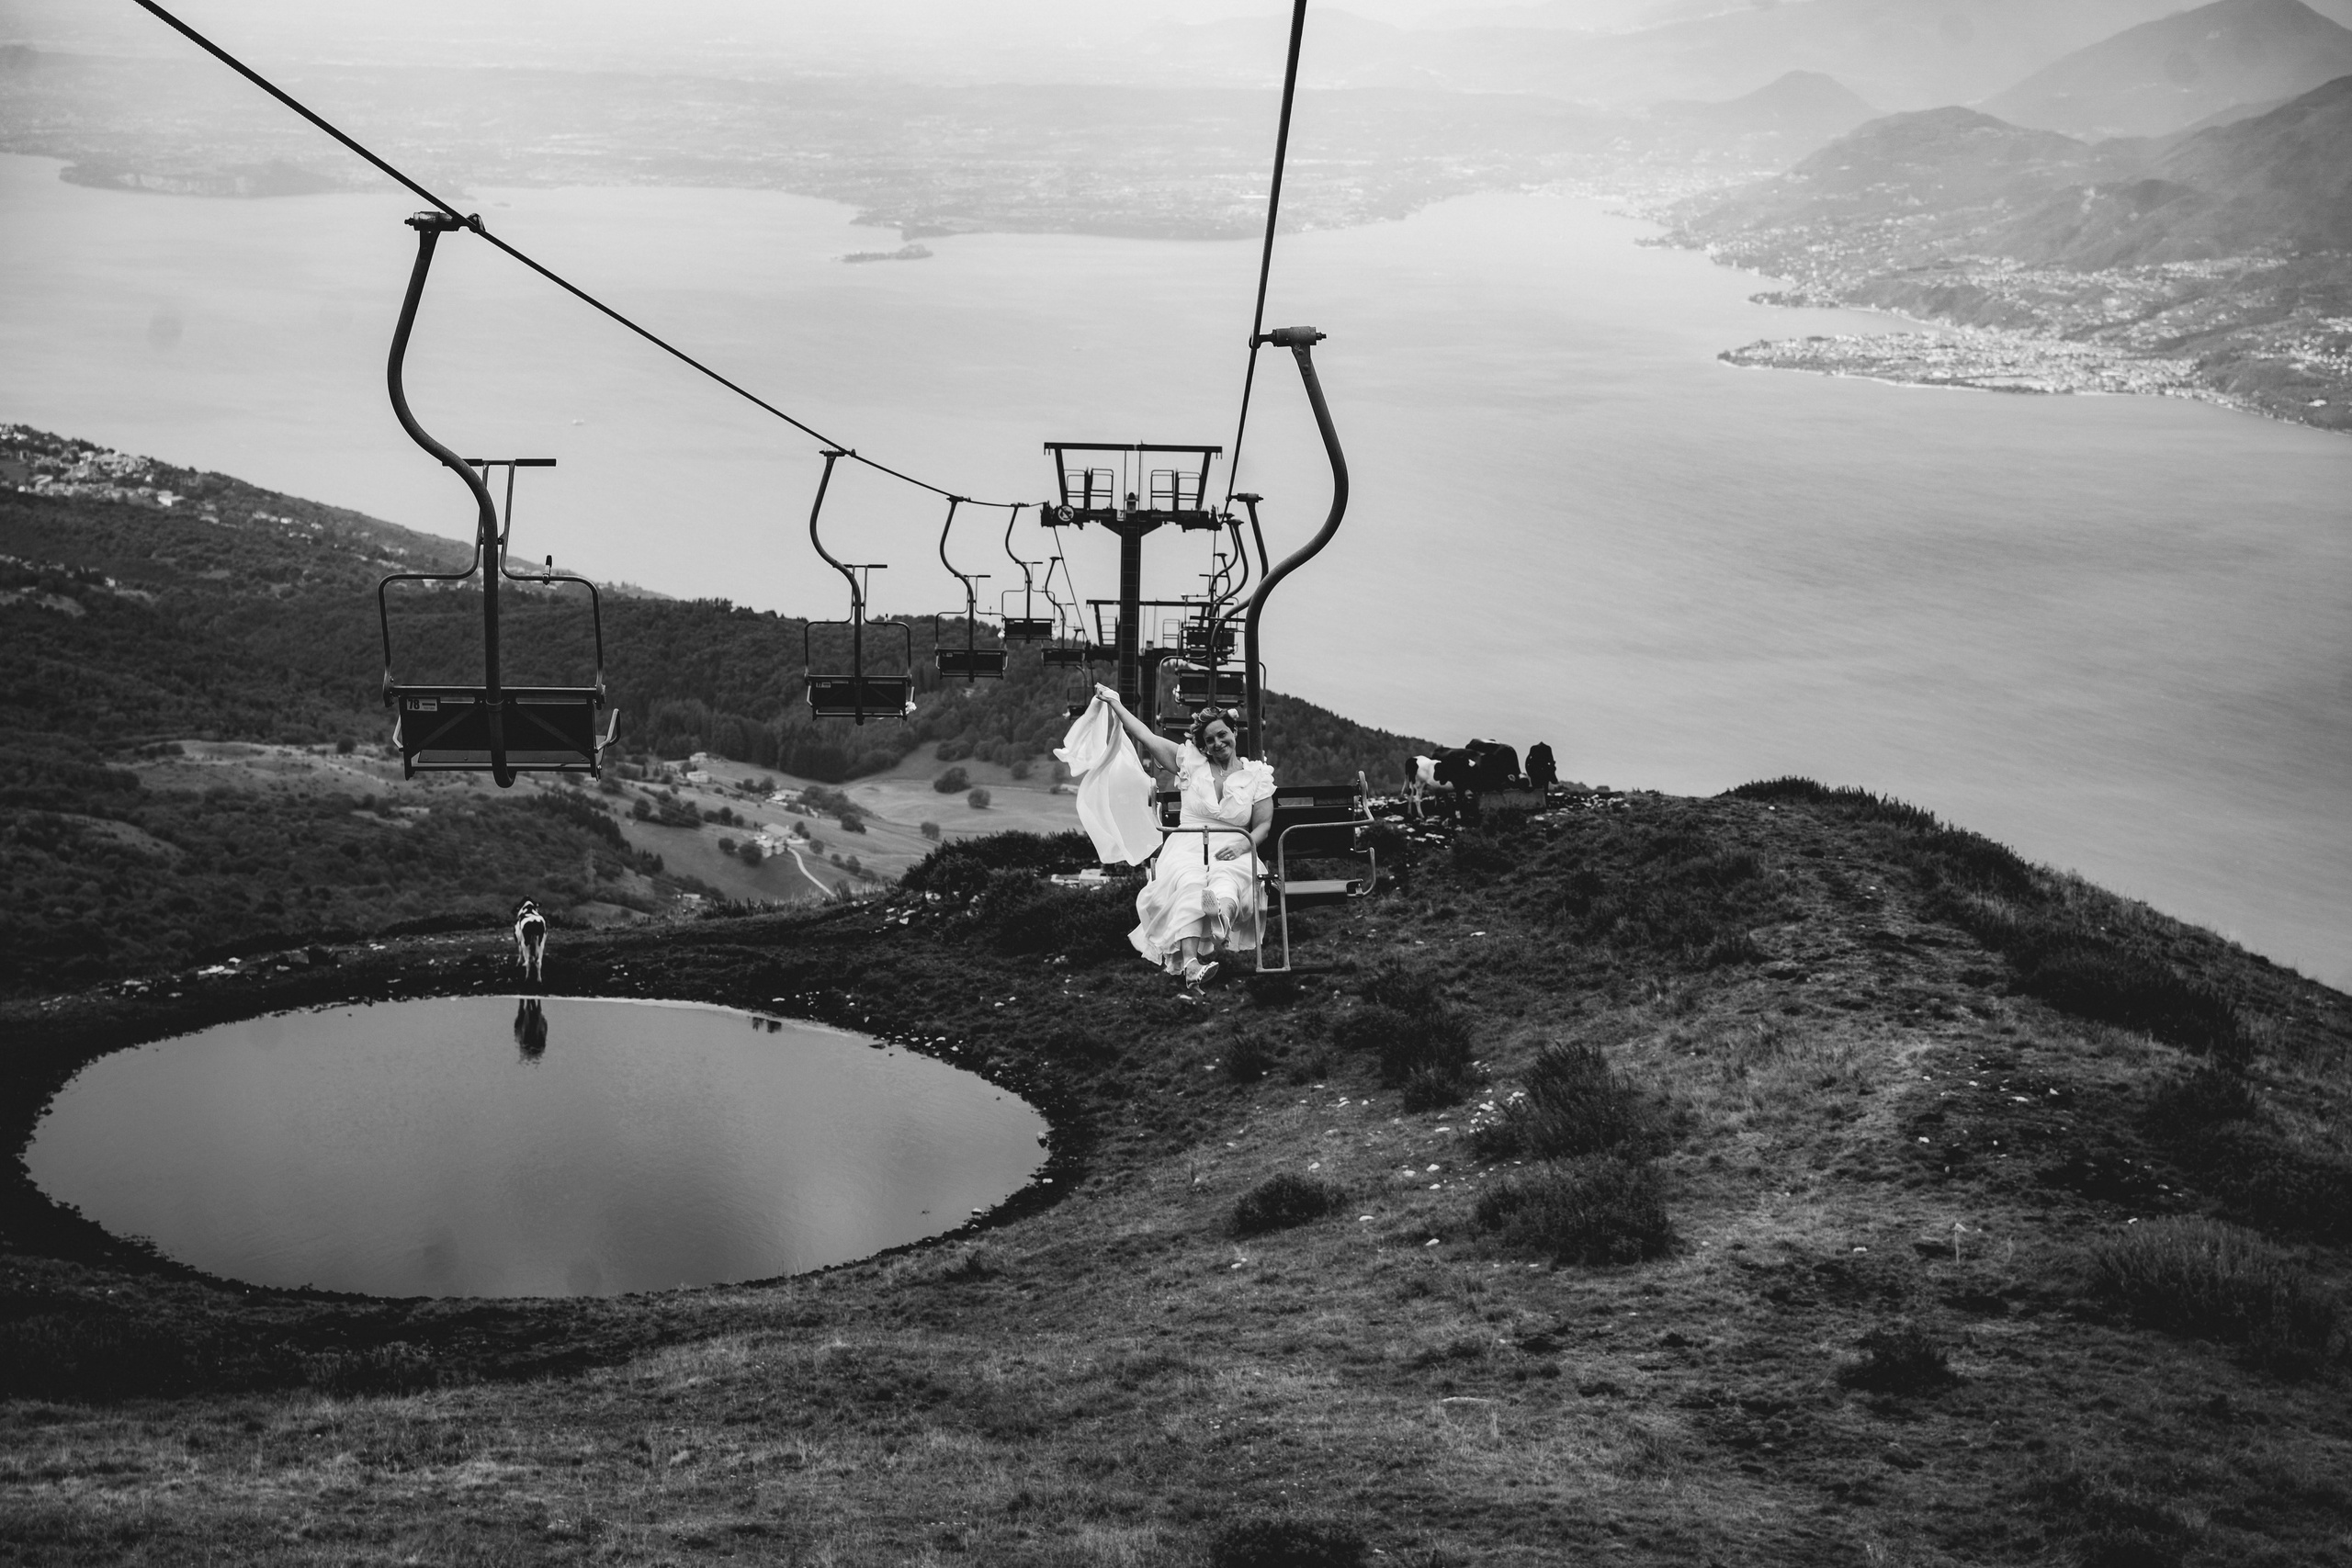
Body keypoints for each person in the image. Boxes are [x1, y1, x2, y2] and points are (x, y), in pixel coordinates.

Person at [1093, 683, 1276, 992]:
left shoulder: (1257, 775)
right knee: (1189, 880)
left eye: (1222, 735)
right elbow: (1146, 736)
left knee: (1229, 874)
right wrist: (1115, 703)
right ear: (1202, 746)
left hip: (1235, 842)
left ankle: (1220, 915)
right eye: (1210, 741)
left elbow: (1264, 825)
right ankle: (1192, 963)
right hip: (1189, 842)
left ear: (1233, 733)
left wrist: (1243, 844)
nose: (1218, 743)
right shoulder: (1190, 762)